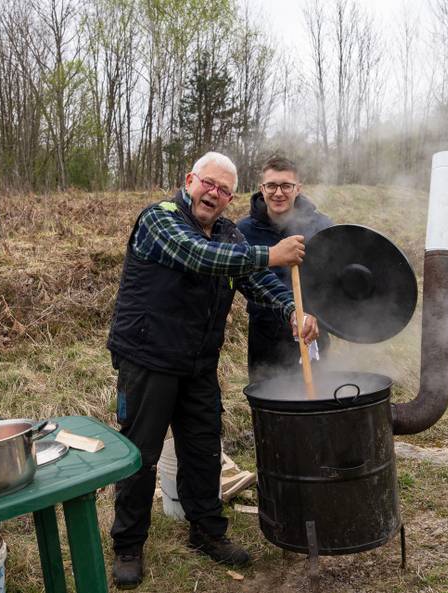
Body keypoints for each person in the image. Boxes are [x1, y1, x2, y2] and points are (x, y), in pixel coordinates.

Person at [106, 151, 319, 589]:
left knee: (203, 449)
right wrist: (271, 254)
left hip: (198, 362)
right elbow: (199, 257)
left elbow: (255, 282)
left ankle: (207, 532)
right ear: (190, 180)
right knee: (139, 455)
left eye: (224, 190)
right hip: (147, 357)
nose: (215, 194)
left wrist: (291, 311)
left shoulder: (226, 232)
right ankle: (128, 544)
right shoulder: (160, 219)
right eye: (209, 184)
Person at [236, 155, 334, 382]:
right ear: (262, 188)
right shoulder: (243, 230)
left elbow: (335, 279)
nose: (278, 193)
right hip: (265, 332)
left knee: (316, 401)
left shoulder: (322, 227)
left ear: (298, 188)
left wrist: (320, 315)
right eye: (271, 185)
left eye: (286, 186)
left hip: (312, 330)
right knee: (268, 401)